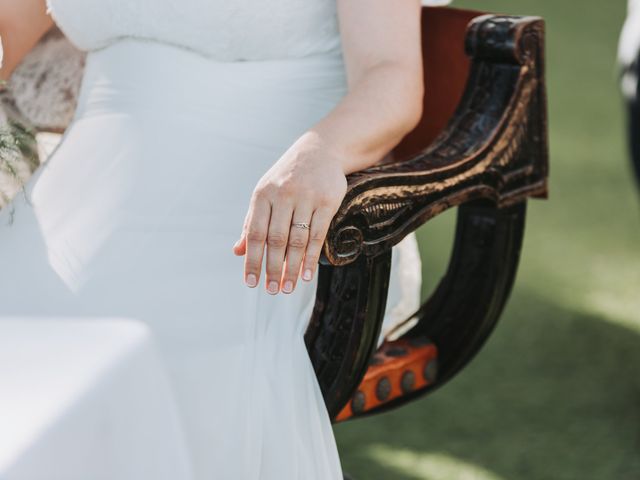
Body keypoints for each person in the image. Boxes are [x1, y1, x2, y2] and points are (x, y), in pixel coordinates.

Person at [0, 0, 427, 478]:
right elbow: (10, 25)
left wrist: (320, 154)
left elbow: (390, 74)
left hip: (270, 201)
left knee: (160, 353)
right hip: (82, 190)